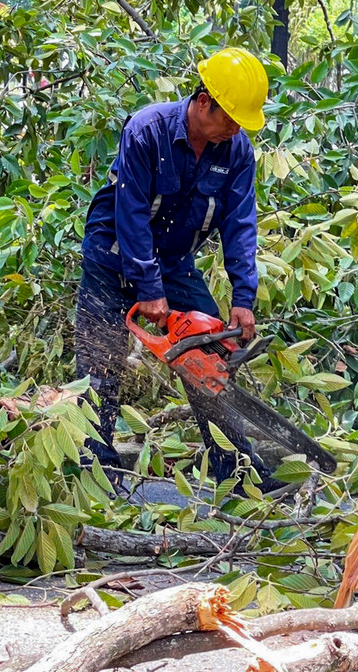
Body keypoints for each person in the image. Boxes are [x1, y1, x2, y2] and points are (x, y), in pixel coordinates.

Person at [75, 47, 269, 481]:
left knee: (211, 353)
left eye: (241, 122)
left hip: (174, 263)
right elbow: (130, 214)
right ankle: (94, 471)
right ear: (204, 102)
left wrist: (243, 296)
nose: (235, 129)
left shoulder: (235, 151)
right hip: (112, 257)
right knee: (99, 366)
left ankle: (236, 467)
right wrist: (148, 288)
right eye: (230, 118)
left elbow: (240, 223)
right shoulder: (148, 131)